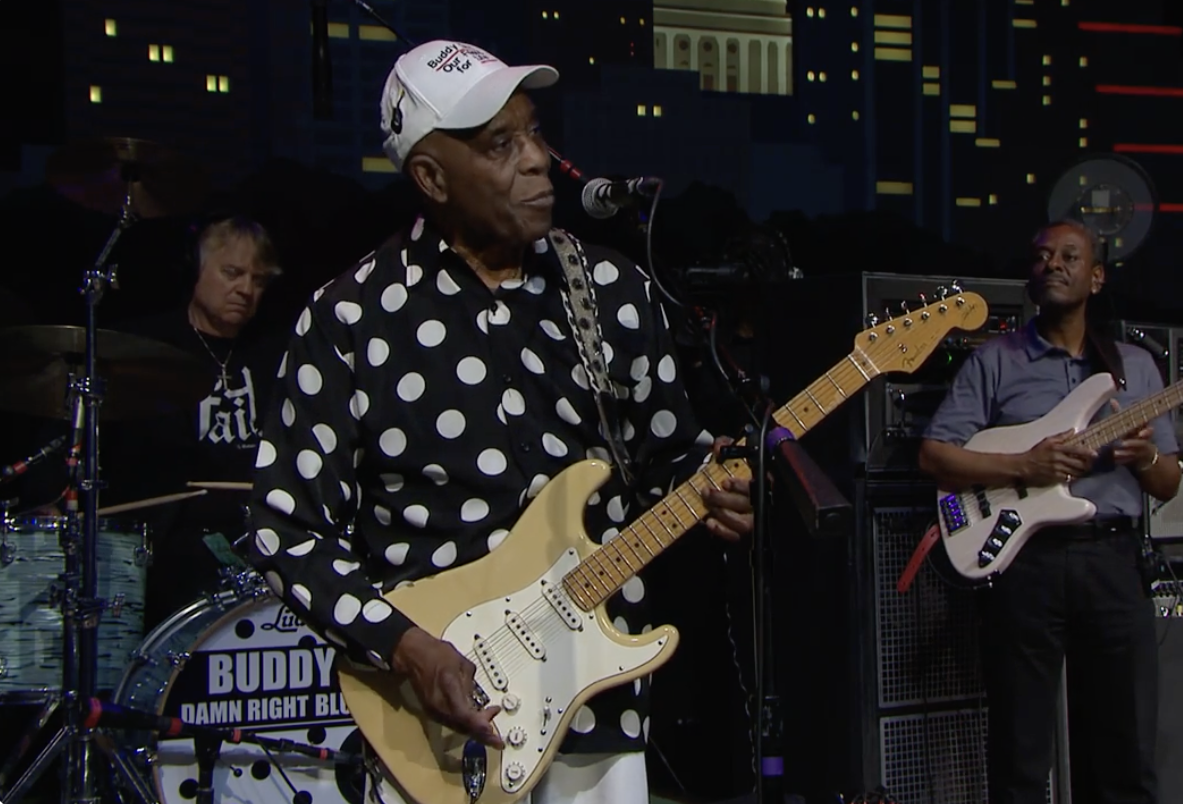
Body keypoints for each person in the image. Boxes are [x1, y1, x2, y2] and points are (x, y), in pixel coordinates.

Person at [244, 40, 754, 803]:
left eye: (534, 132)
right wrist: (406, 648)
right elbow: (285, 529)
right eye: (499, 144)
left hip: (597, 701)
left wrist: (714, 487)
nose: (538, 159)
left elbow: (667, 459)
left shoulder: (611, 289)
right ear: (431, 177)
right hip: (437, 727)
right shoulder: (350, 318)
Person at [917, 219, 1181, 804]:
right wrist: (1024, 466)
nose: (1053, 264)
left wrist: (1145, 456)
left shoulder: (1135, 367)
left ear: (1097, 277)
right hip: (1026, 565)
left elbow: (1168, 484)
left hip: (1112, 561)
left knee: (1125, 751)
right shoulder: (995, 361)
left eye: (1068, 256)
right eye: (1041, 256)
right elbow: (934, 455)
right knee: (1020, 752)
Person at [110, 212, 285, 629]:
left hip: (257, 536)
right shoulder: (148, 349)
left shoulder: (275, 352)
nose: (246, 290)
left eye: (259, 280)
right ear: (196, 270)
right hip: (172, 544)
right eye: (232, 273)